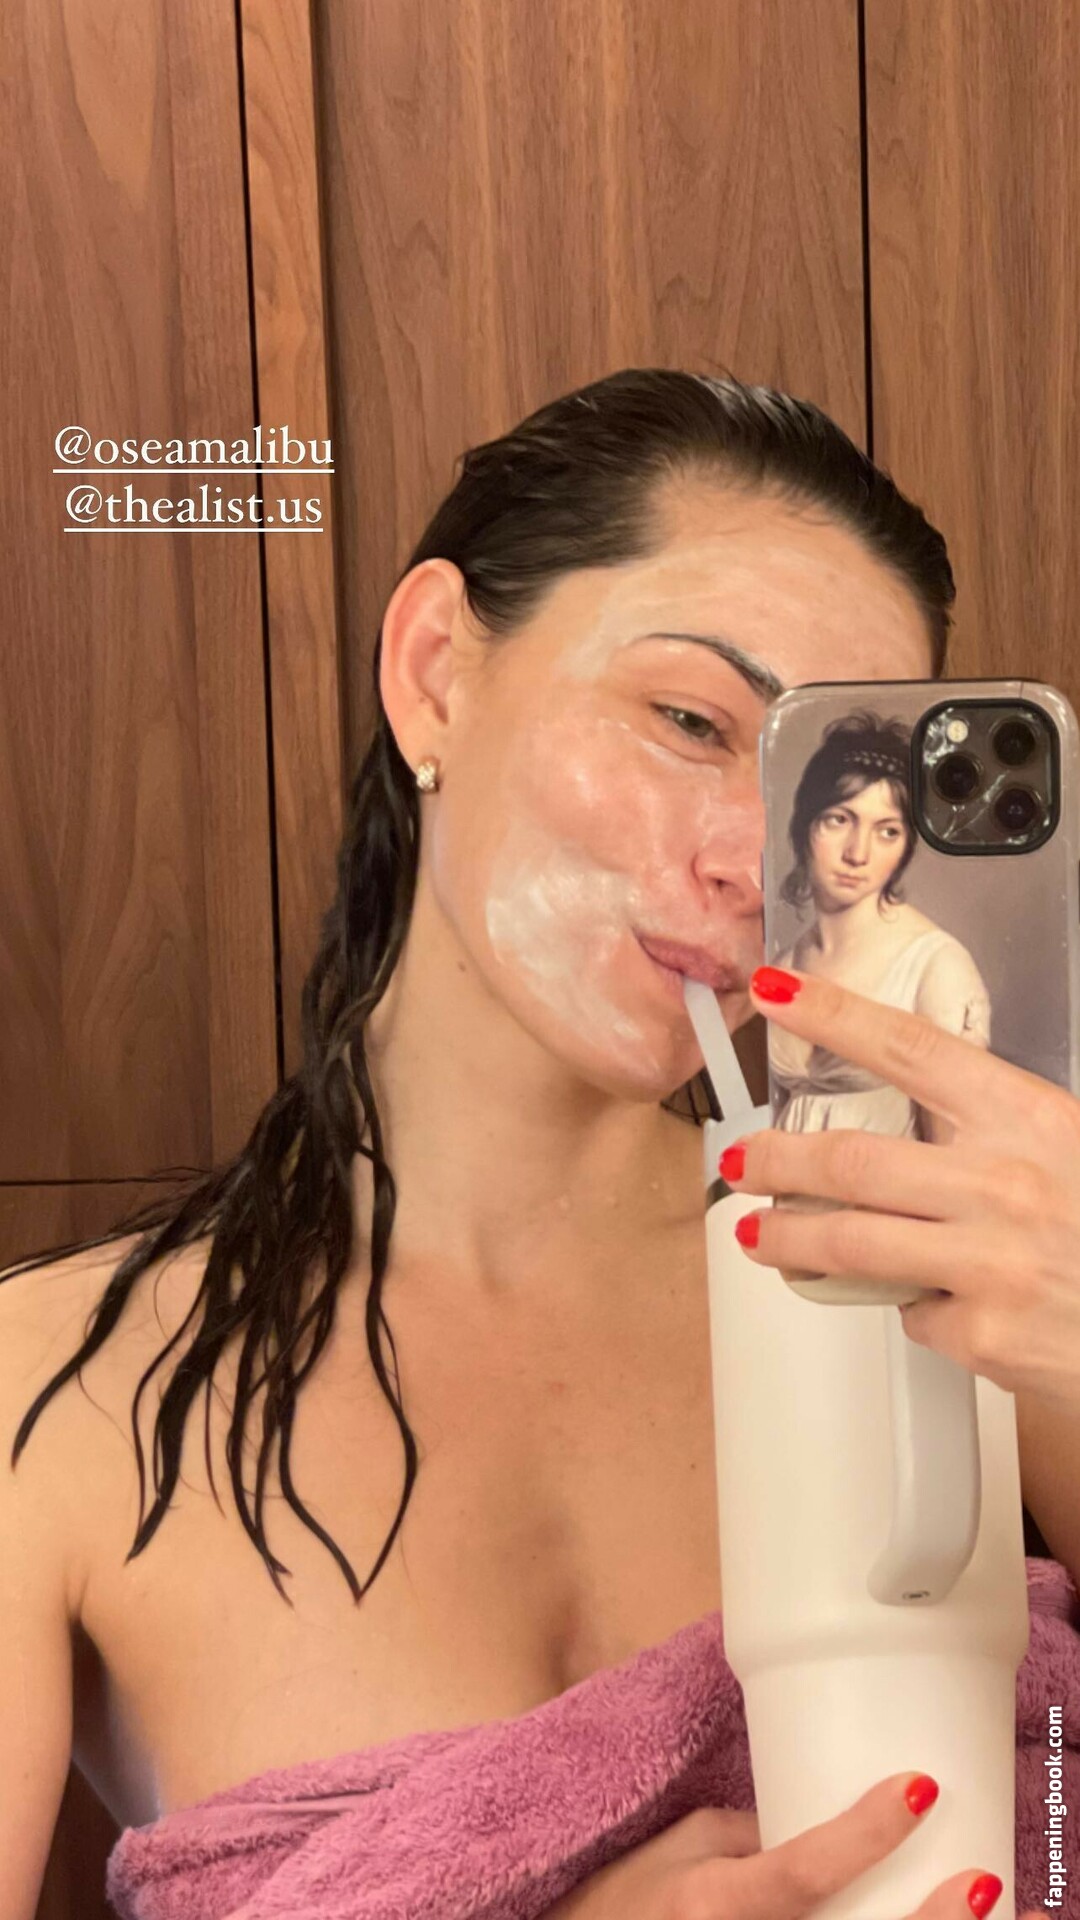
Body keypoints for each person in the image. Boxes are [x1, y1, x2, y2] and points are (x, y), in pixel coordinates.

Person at [0, 368, 1040, 1920]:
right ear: (434, 674)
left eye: (825, 781)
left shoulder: (959, 1279)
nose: (753, 860)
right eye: (690, 721)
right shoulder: (49, 1405)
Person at [769, 710, 992, 1146]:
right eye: (839, 819)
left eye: (887, 831)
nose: (858, 853)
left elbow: (953, 1153)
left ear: (906, 847)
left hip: (891, 1188)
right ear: (804, 826)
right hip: (789, 1184)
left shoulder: (935, 965)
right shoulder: (785, 962)